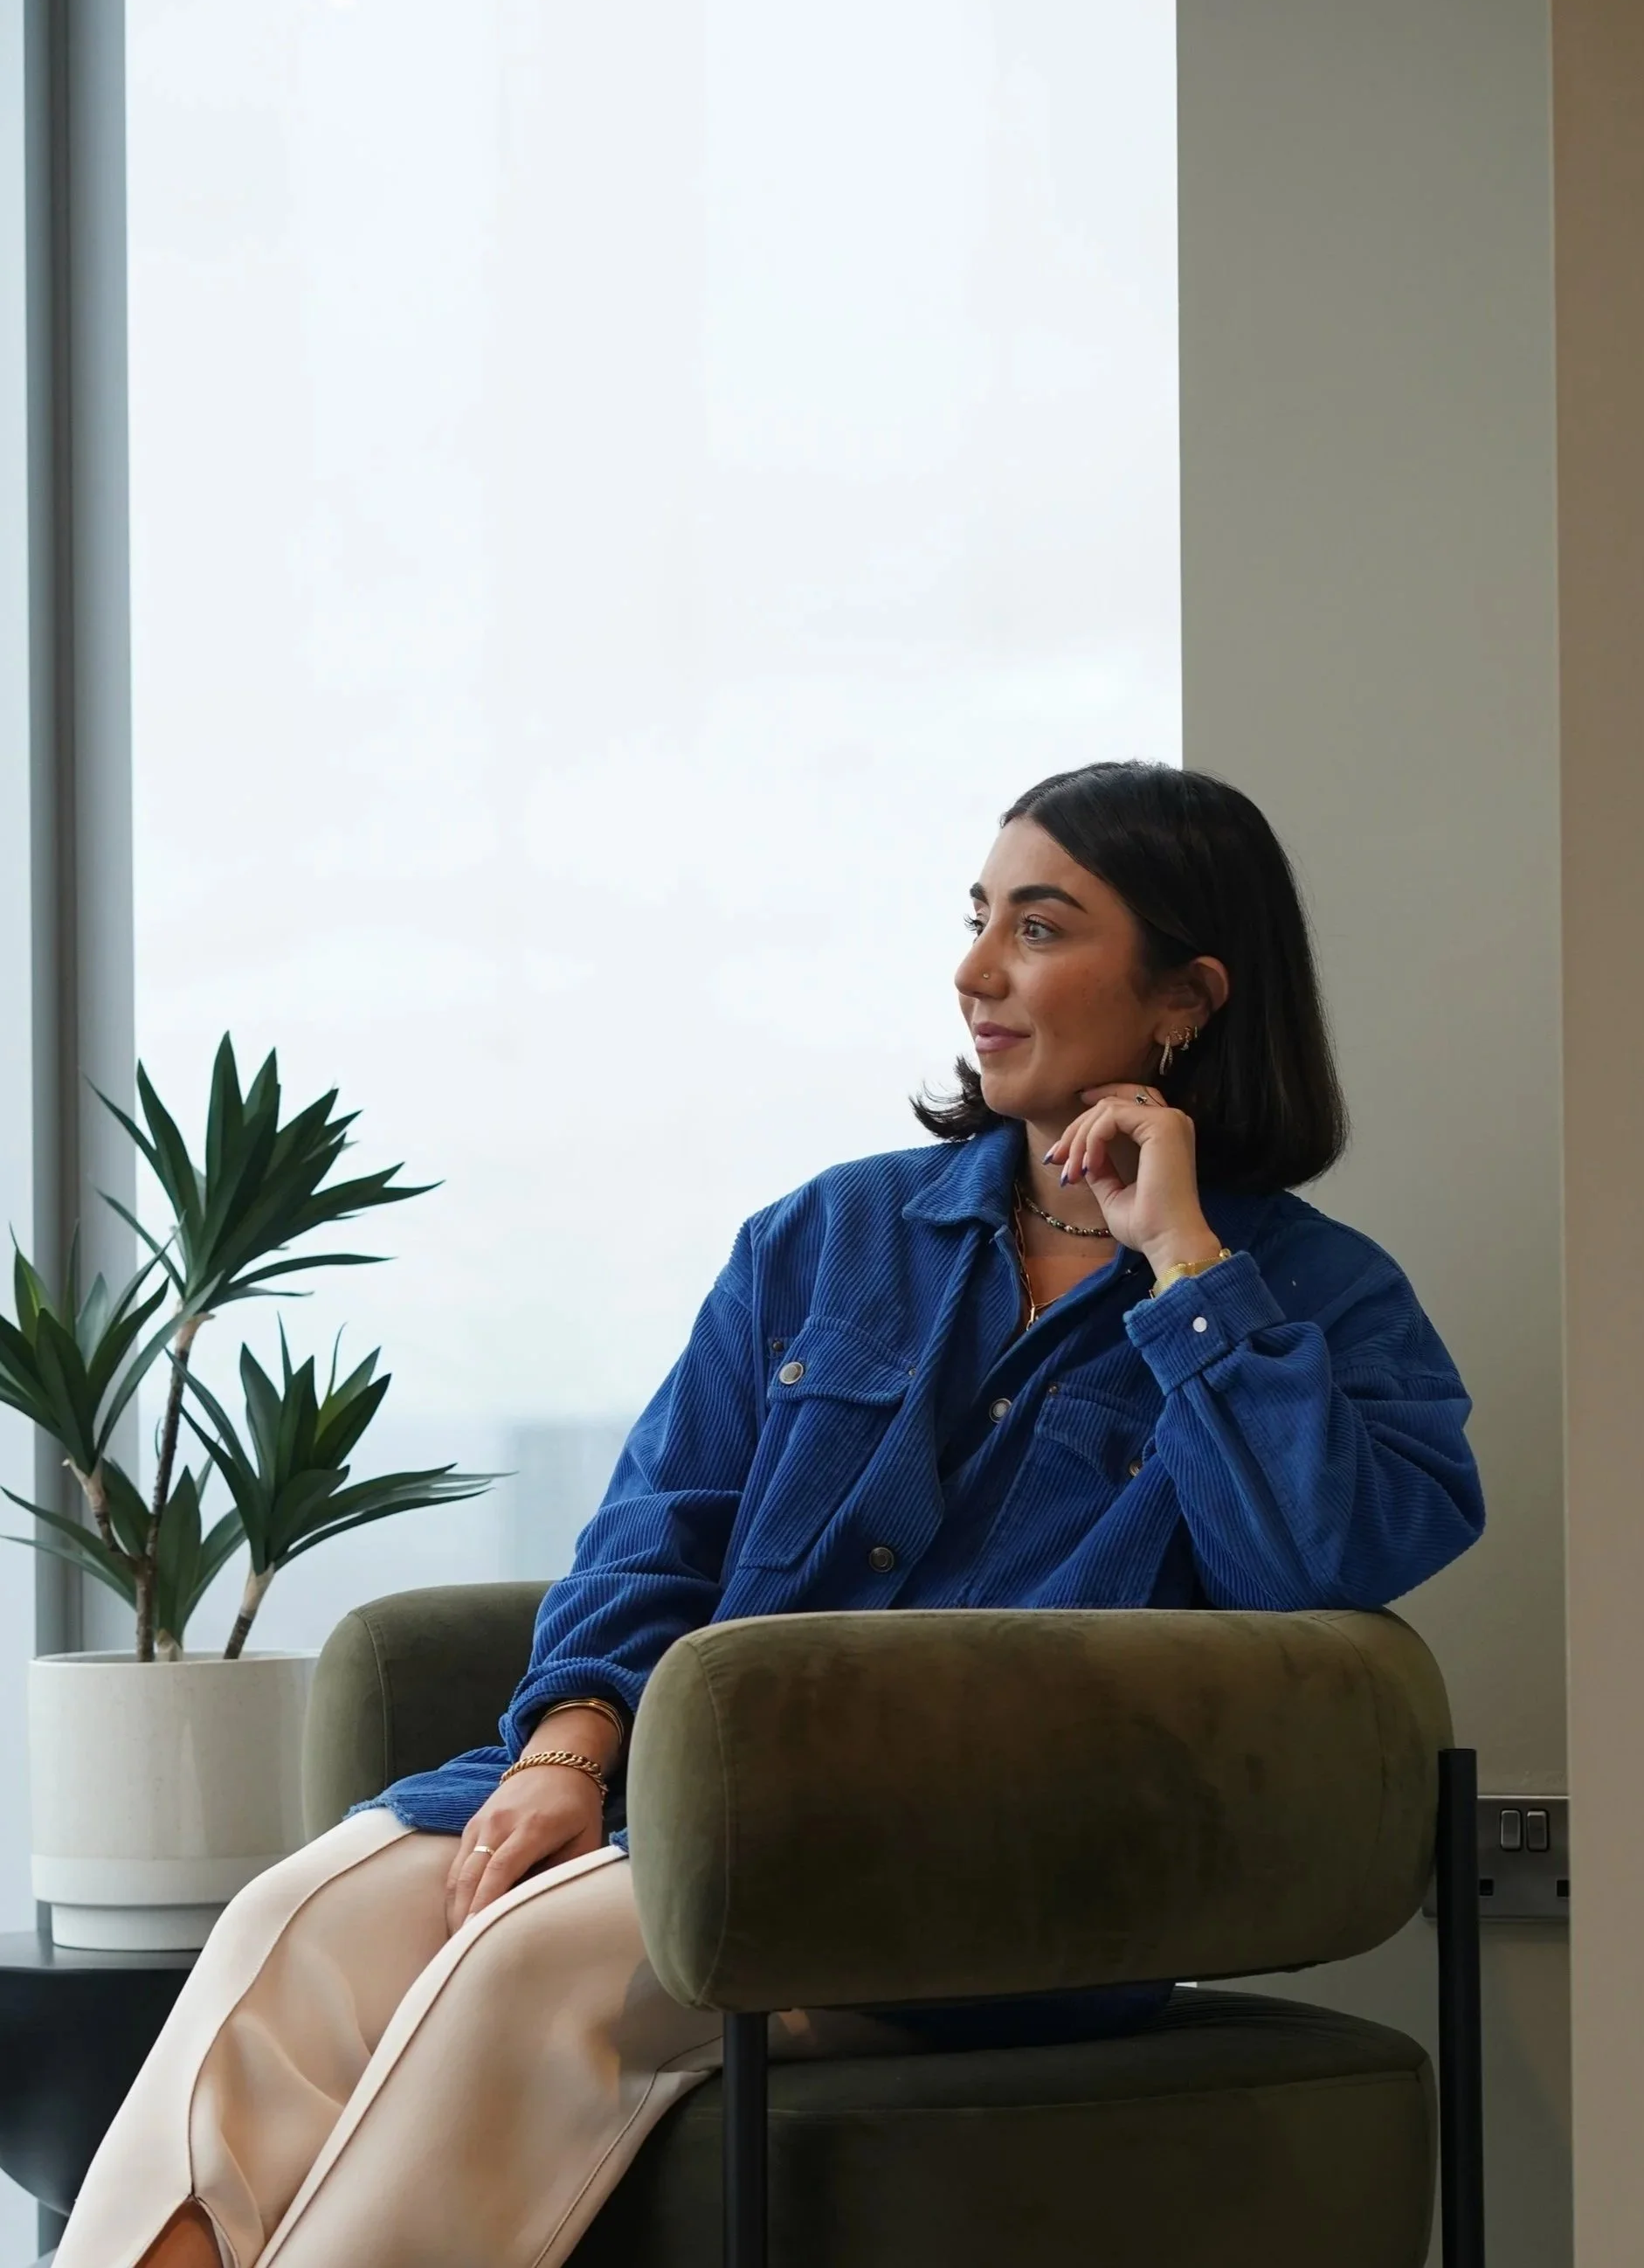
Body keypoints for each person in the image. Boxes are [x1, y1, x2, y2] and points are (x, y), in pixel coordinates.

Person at [59, 759, 1484, 2268]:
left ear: (1183, 996)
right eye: (977, 917)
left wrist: (1183, 1262)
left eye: (1041, 928)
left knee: (532, 1965)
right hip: (673, 1811)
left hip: (968, 1884)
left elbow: (1318, 1566)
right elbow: (657, 1522)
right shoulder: (829, 1233)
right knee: (299, 1922)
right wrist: (567, 1749)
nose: (975, 969)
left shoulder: (1315, 1301)